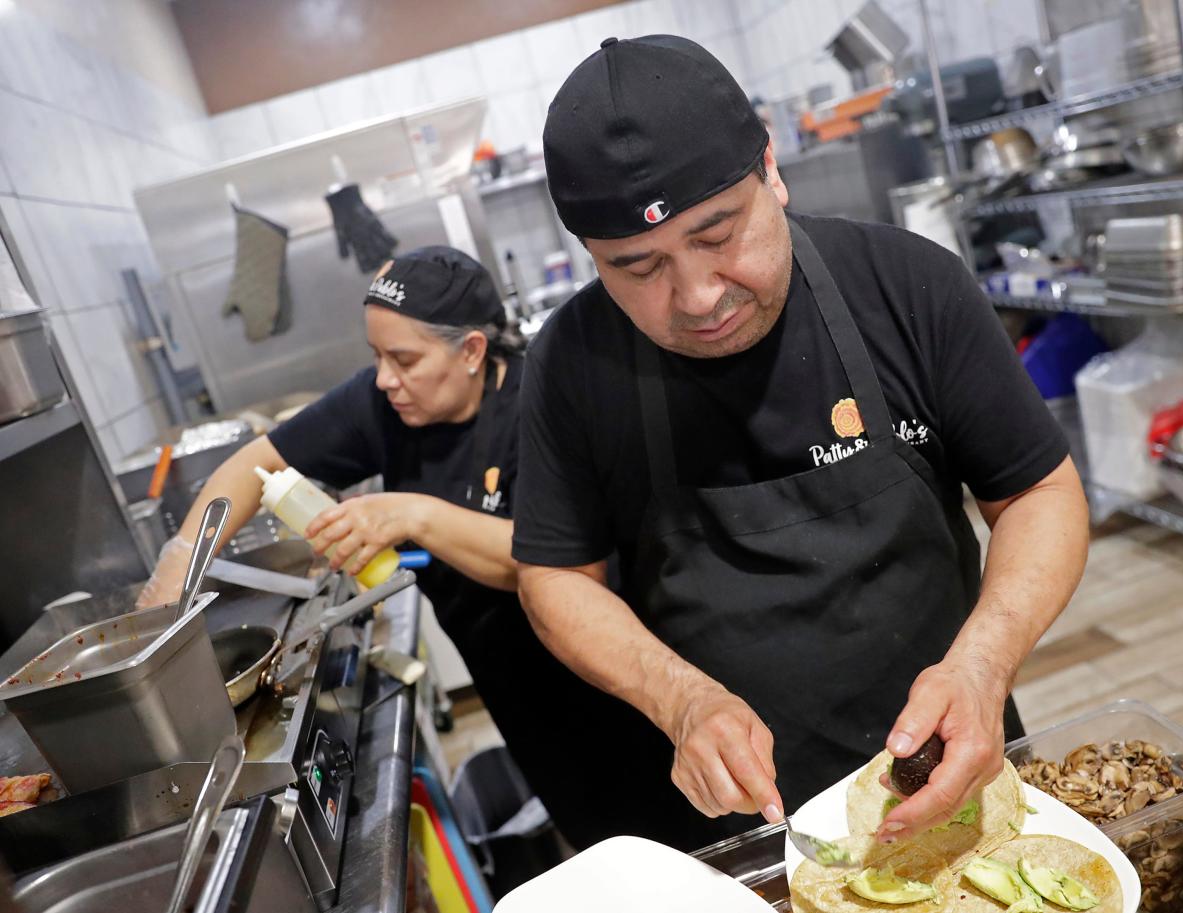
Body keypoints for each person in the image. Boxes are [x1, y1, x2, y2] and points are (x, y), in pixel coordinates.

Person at [512, 35, 1091, 850]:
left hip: (954, 768)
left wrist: (983, 664)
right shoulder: (571, 362)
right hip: (738, 821)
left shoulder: (910, 287)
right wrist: (680, 700)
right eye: (638, 268)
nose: (699, 294)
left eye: (717, 234)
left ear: (771, 172)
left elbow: (1040, 492)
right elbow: (553, 575)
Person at [136, 246, 670, 851]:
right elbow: (255, 464)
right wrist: (182, 555)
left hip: (613, 673)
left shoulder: (539, 399)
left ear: (471, 351)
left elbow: (558, 562)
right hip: (514, 684)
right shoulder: (382, 402)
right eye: (377, 356)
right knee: (597, 838)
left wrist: (415, 513)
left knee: (672, 830)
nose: (385, 377)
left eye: (405, 359)